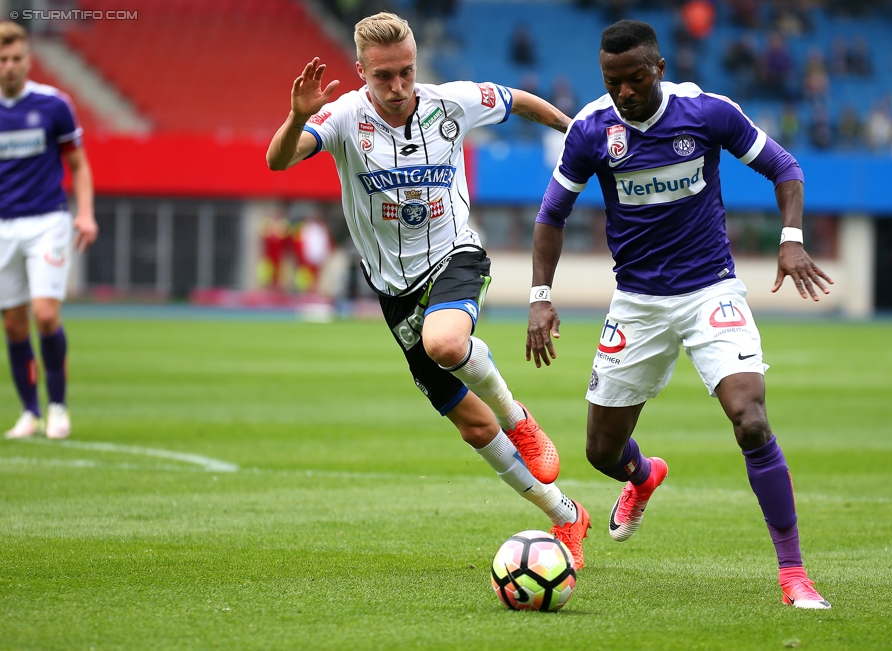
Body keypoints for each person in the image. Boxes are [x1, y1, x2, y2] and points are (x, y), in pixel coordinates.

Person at [525, 20, 834, 608]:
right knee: (600, 452)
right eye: (613, 82)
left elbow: (784, 166)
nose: (624, 93)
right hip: (637, 302)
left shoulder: (708, 112)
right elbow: (551, 216)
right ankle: (643, 476)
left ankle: (793, 572)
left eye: (635, 79)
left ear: (659, 68)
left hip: (709, 291)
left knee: (751, 420)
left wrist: (790, 238)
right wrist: (540, 297)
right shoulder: (592, 129)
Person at [266, 12, 590, 566]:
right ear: (362, 71)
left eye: (406, 73)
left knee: (445, 343)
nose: (397, 88)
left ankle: (521, 420)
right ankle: (567, 517)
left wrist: (577, 134)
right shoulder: (343, 117)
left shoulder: (452, 102)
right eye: (383, 76)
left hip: (455, 255)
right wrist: (297, 118)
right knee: (472, 427)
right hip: (393, 289)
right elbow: (278, 160)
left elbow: (520, 100)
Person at [1, 21, 97, 440]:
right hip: (3, 225)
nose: (9, 67)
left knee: (44, 315)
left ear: (28, 60)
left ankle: (57, 406)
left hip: (47, 221)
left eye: (16, 58)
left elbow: (78, 164)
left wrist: (86, 213)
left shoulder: (54, 105)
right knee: (13, 325)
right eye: (2, 60)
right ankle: (29, 412)